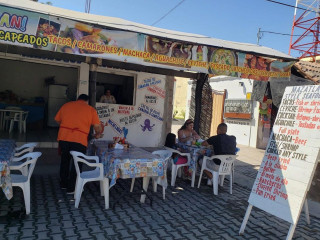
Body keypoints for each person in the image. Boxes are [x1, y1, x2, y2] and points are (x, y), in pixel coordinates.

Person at [55, 94, 103, 194]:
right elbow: (97, 127)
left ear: (77, 99)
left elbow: (58, 120)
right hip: (79, 139)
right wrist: (98, 133)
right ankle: (71, 188)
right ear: (87, 101)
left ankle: (63, 184)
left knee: (65, 160)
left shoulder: (66, 105)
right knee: (77, 163)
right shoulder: (90, 109)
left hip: (64, 137)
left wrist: (67, 127)